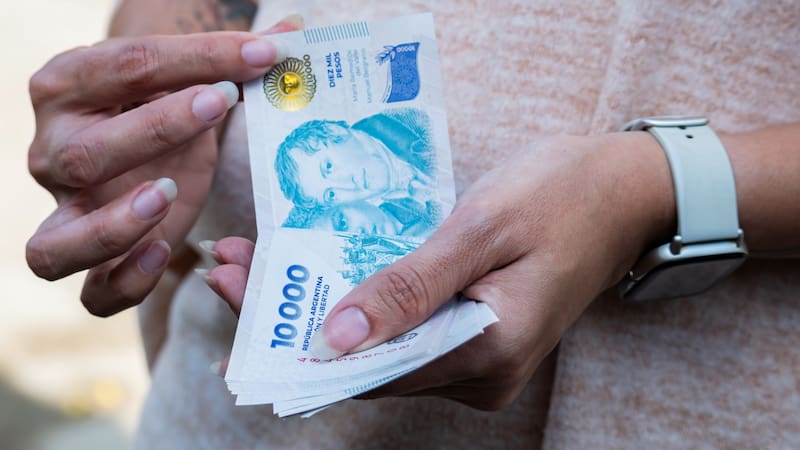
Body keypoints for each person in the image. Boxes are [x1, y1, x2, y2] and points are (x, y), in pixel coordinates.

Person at [25, 1, 800, 449]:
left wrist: (653, 188)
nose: (344, 180)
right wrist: (153, 84)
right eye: (327, 185)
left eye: (331, 164)